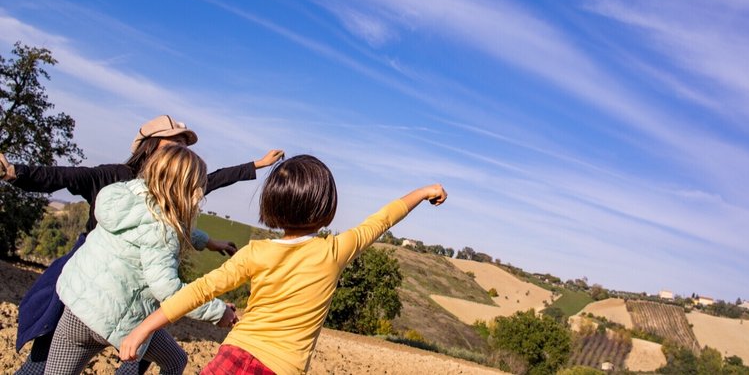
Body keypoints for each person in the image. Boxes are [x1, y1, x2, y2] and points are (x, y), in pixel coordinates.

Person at [0, 114, 283, 374]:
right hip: (87, 285)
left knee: (148, 353)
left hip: (120, 300)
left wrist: (255, 167)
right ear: (151, 145)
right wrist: (14, 171)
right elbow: (61, 176)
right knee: (39, 363)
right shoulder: (114, 176)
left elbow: (209, 187)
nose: (183, 151)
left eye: (186, 146)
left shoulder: (167, 187)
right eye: (176, 143)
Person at [120, 154, 447, 374]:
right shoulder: (333, 252)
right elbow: (382, 220)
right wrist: (423, 191)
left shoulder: (255, 252)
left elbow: (199, 290)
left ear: (272, 203)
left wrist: (144, 328)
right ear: (326, 206)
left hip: (233, 354)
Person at [44, 145, 237, 375]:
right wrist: (218, 311)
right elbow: (167, 288)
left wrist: (209, 242)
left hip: (78, 306)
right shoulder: (162, 229)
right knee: (175, 362)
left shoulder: (124, 194)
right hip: (122, 319)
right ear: (187, 190)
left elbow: (161, 227)